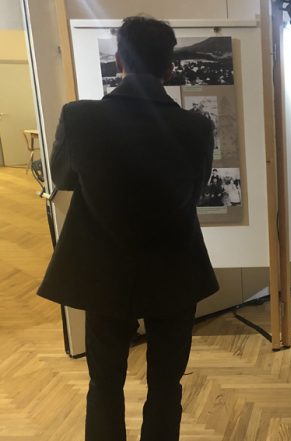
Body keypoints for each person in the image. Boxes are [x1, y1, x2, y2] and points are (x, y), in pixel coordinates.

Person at [37, 16, 219, 440]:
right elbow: (194, 192)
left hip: (104, 272)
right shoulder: (196, 127)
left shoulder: (80, 118)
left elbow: (63, 178)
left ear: (119, 61)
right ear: (169, 68)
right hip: (175, 271)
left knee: (103, 384)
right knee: (166, 385)